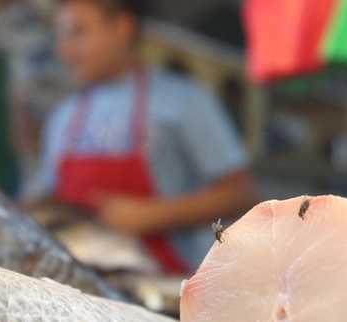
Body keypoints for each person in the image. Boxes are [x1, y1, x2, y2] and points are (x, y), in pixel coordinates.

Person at [26, 0, 257, 273]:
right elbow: (46, 198)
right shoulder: (63, 116)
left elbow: (240, 195)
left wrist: (150, 215)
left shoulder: (184, 100)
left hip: (166, 285)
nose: (64, 50)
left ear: (122, 27)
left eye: (78, 32)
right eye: (61, 36)